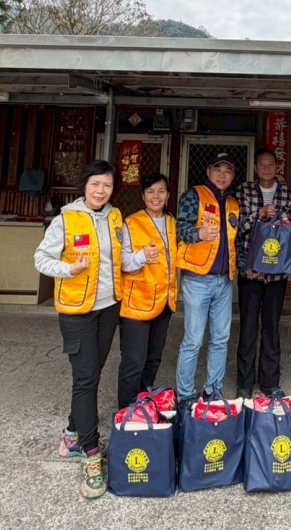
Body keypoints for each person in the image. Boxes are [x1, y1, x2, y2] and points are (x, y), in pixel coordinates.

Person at [34, 159, 123, 500]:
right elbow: (41, 259)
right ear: (84, 186)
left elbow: (119, 260)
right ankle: (90, 454)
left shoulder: (115, 217)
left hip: (108, 307)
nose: (101, 191)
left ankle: (72, 433)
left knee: (92, 373)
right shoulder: (66, 219)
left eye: (107, 185)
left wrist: (143, 257)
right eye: (95, 184)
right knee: (85, 379)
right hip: (76, 311)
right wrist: (69, 269)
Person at [234, 148, 291, 405]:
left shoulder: (289, 194)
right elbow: (237, 226)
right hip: (250, 271)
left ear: (277, 166)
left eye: (271, 164)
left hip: (277, 274)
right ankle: (244, 383)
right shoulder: (244, 191)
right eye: (262, 164)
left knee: (272, 327)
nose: (267, 168)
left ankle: (270, 382)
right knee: (248, 327)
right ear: (255, 168)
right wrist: (259, 215)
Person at [175, 151, 239, 406]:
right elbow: (180, 228)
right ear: (208, 171)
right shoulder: (194, 195)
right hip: (197, 280)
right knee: (193, 341)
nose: (222, 175)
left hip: (224, 281)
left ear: (233, 176)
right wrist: (198, 234)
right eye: (218, 169)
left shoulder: (233, 203)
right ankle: (185, 395)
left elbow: (236, 242)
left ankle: (213, 391)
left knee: (220, 340)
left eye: (228, 171)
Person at [117, 173, 178, 409]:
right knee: (134, 362)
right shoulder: (131, 223)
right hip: (137, 303)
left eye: (161, 191)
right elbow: (121, 262)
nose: (156, 196)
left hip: (164, 302)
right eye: (150, 192)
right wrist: (142, 256)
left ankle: (143, 406)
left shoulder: (172, 223)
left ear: (168, 195)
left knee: (153, 359)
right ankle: (126, 411)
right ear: (143, 196)